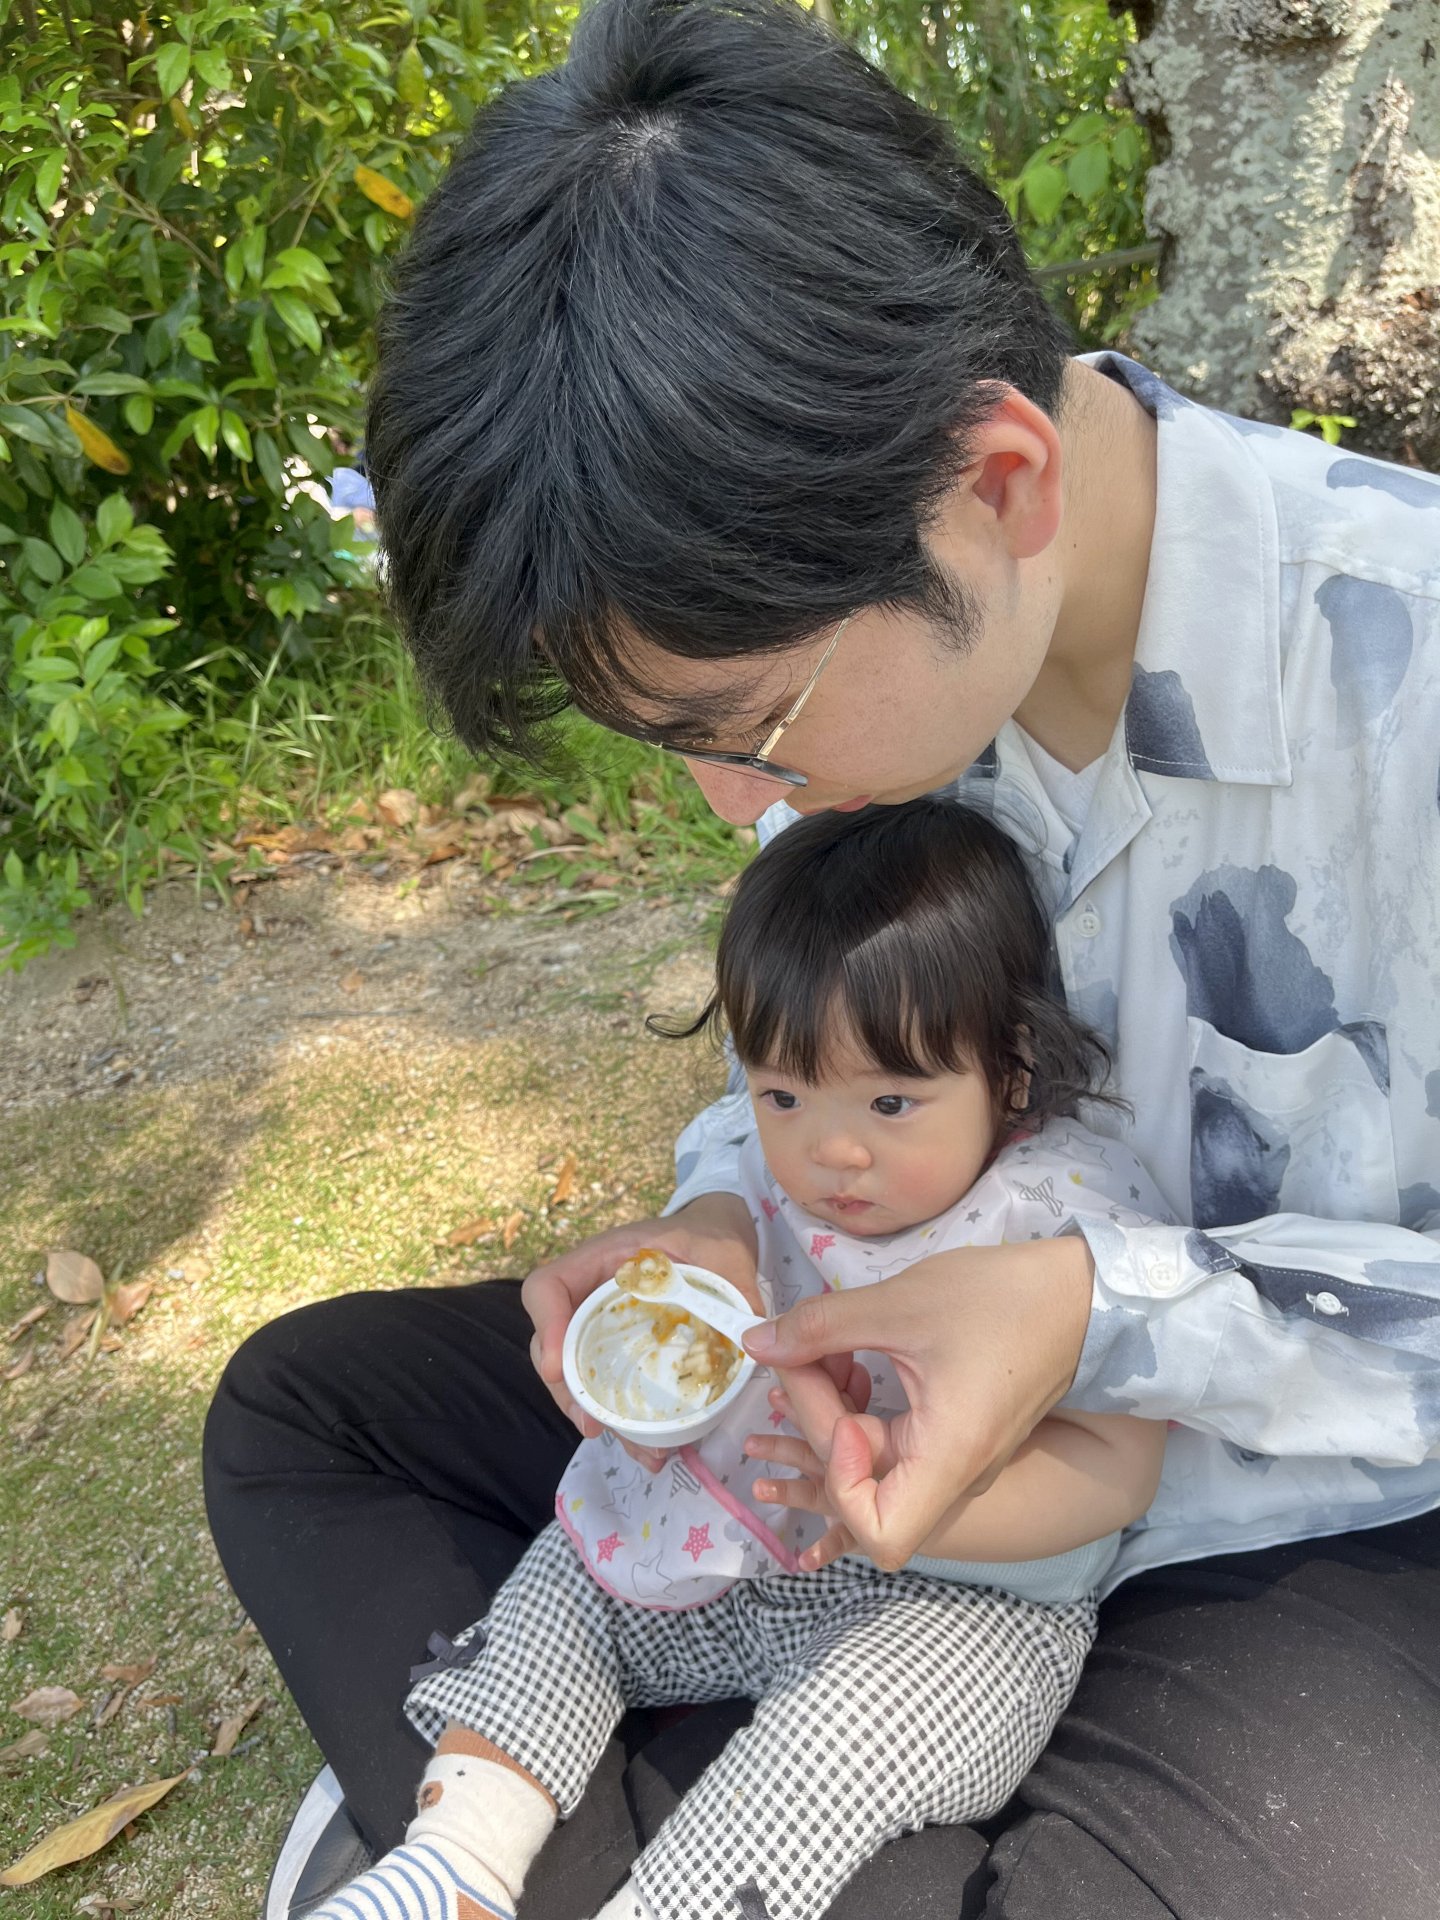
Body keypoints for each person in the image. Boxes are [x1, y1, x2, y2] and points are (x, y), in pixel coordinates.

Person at [204, 1, 1440, 1915]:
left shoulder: (1406, 668)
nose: (735, 810)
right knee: (309, 1407)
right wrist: (722, 1218)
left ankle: (498, 1817)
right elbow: (797, 1074)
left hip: (1297, 1509)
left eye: (749, 727)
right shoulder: (877, 669)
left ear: (1000, 486)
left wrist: (1095, 1311)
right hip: (843, 1414)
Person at [300, 796, 1174, 1920]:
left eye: (892, 1100)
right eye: (783, 1093)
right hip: (733, 1539)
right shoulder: (759, 1178)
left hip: (965, 1612)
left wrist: (916, 1501)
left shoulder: (1064, 1217)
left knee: (836, 1740)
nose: (832, 1149)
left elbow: (1119, 1471)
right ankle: (454, 1861)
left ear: (1011, 1071)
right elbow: (713, 1244)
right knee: (566, 1583)